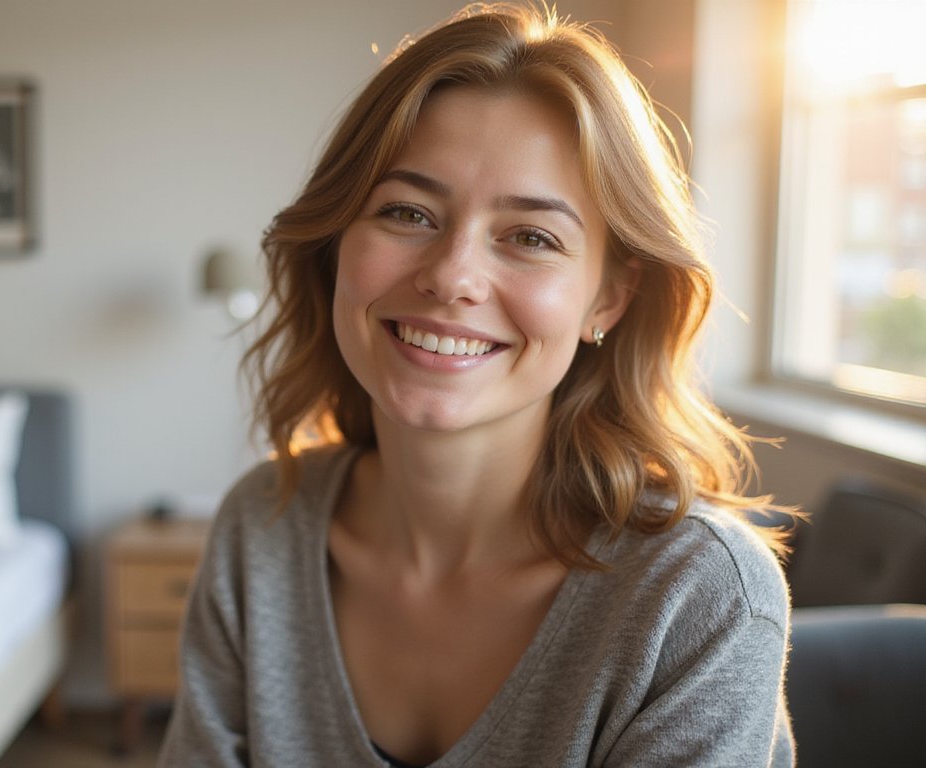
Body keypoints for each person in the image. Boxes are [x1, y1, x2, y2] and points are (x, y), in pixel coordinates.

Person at [159, 3, 793, 767]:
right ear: (334, 250)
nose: (453, 275)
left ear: (608, 297)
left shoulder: (698, 597)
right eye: (407, 212)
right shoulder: (262, 528)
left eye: (531, 237)